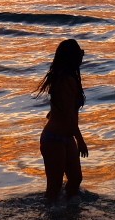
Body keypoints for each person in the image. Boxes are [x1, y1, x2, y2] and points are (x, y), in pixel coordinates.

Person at [36, 39, 89, 204]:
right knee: (54, 186)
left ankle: (68, 214)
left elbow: (63, 108)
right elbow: (68, 115)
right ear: (72, 58)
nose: (82, 55)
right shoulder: (66, 80)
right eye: (80, 52)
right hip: (54, 138)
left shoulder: (66, 78)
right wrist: (80, 141)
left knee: (75, 179)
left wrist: (53, 113)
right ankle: (51, 218)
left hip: (65, 137)